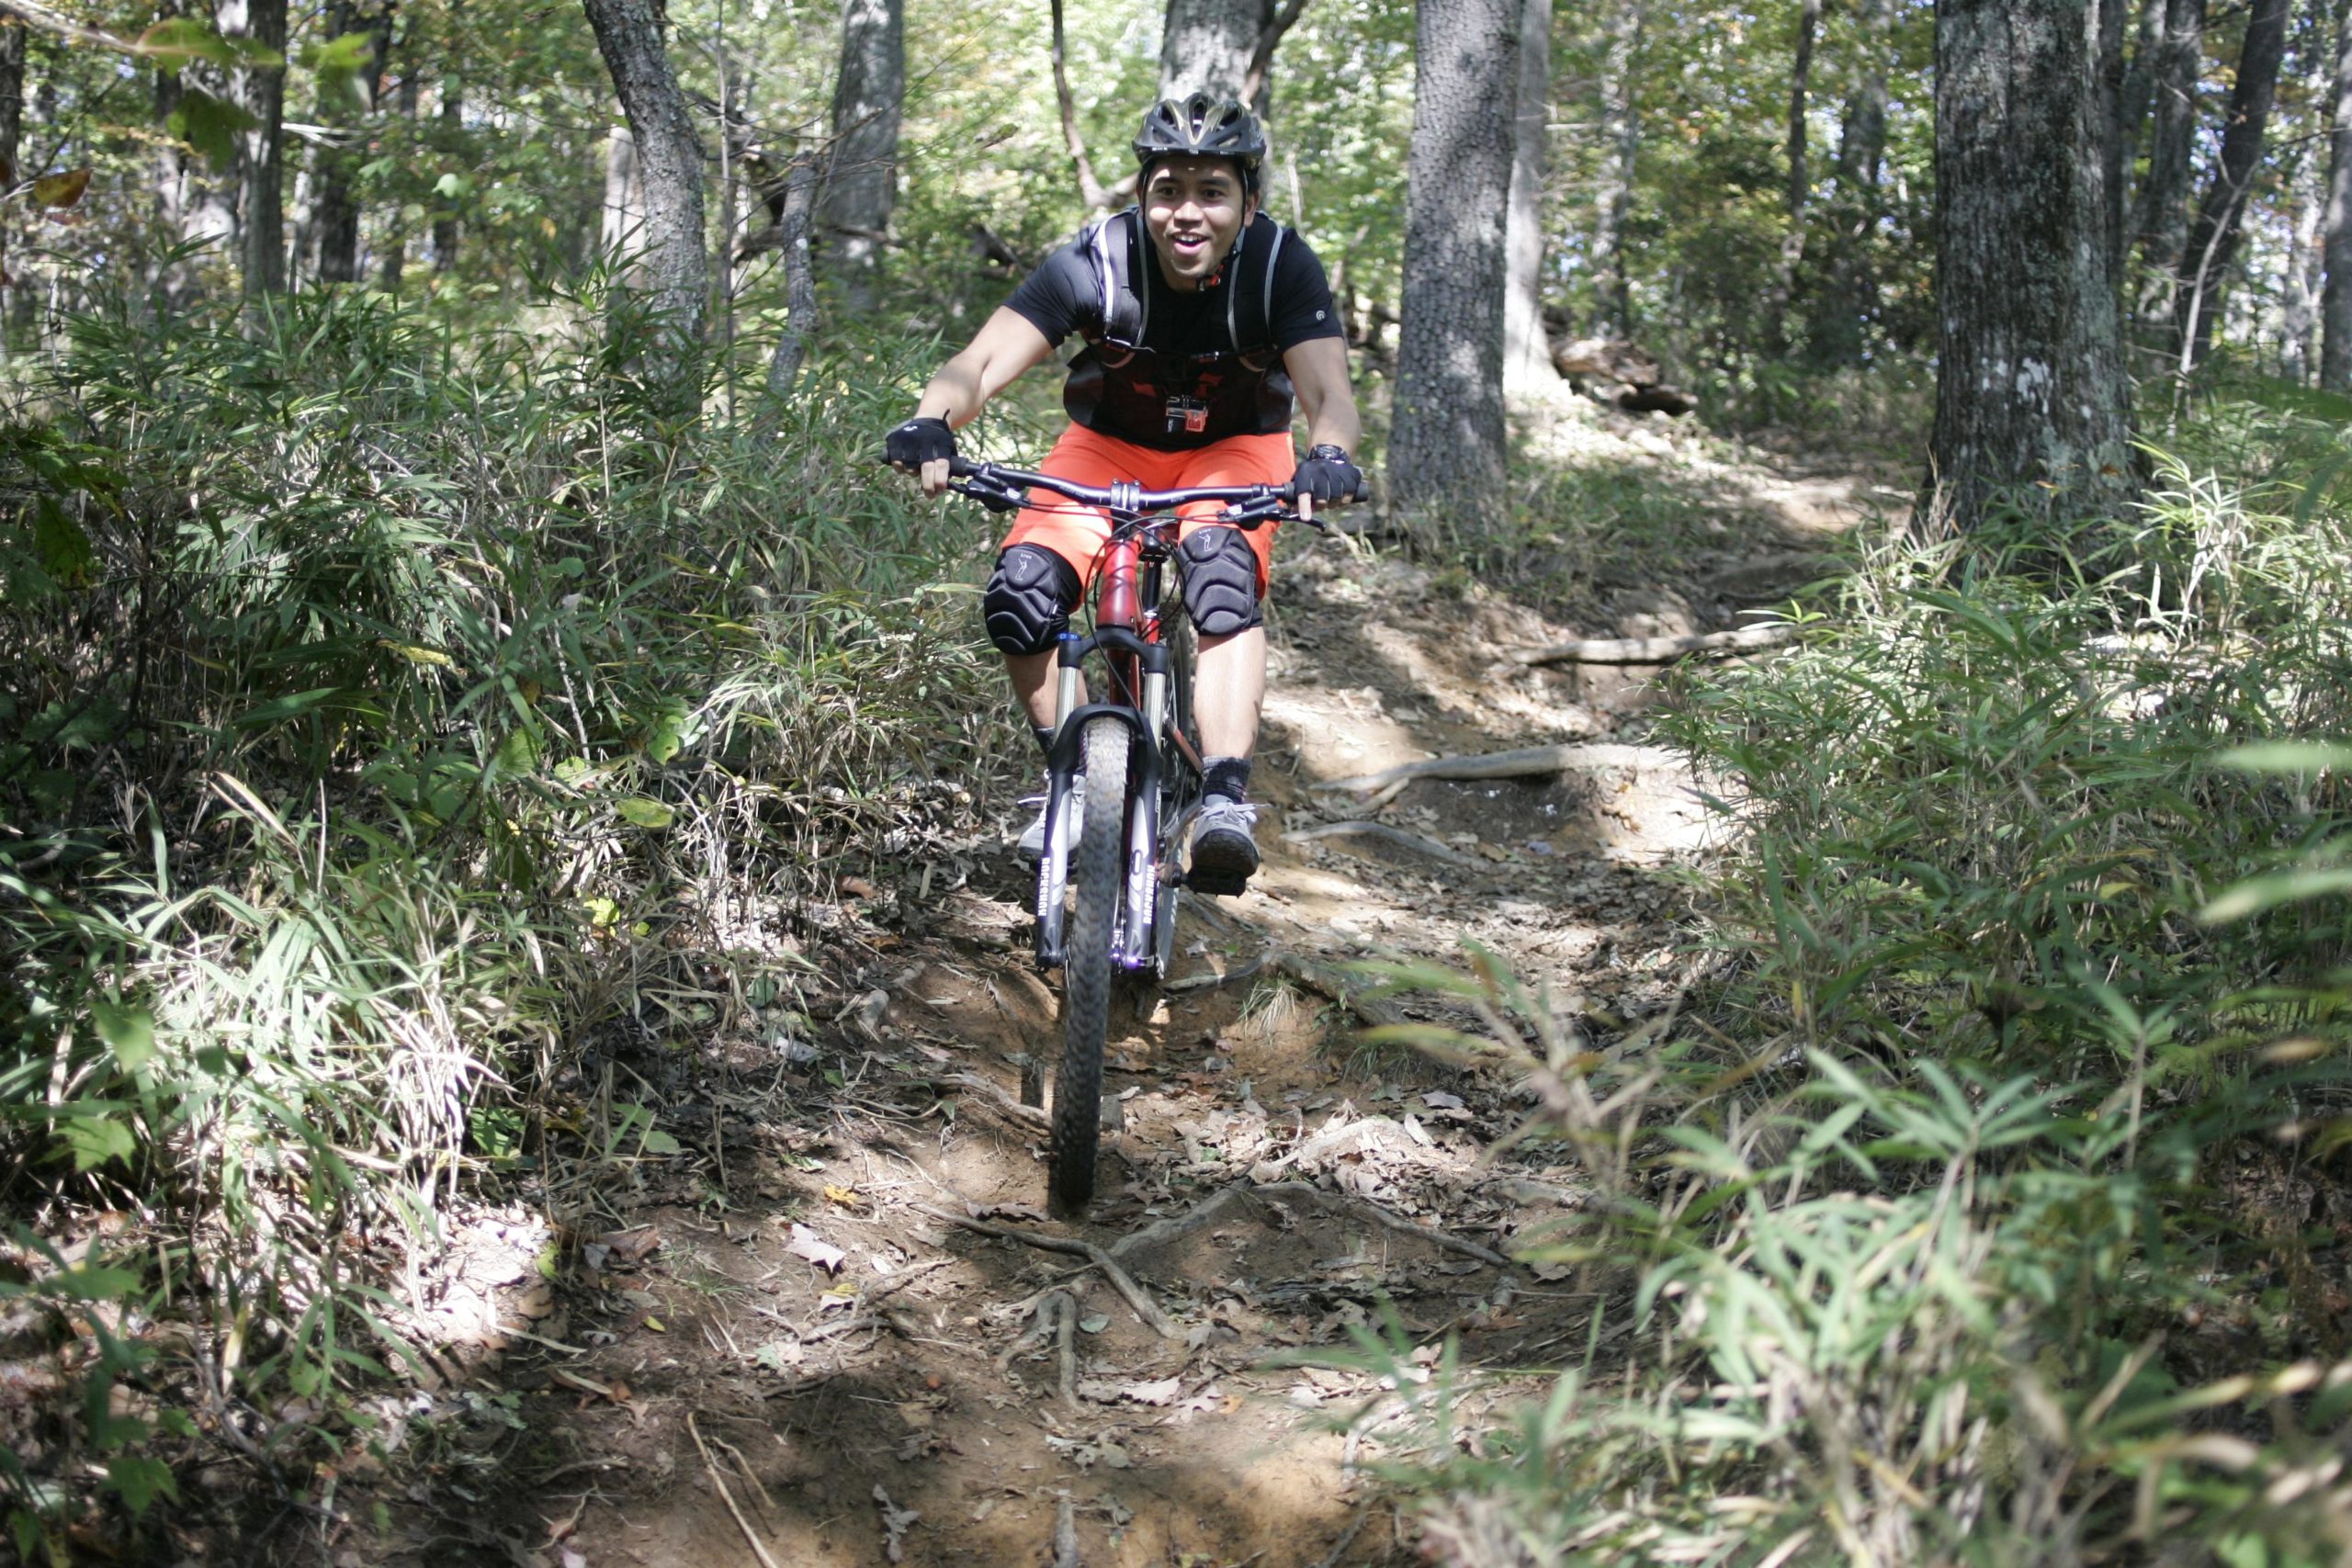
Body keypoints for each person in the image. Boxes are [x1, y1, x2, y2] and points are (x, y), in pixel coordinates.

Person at [886, 93, 1364, 893]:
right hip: (1106, 448)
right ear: (1142, 196)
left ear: (1247, 206)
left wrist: (1330, 455)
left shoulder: (1280, 263)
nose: (1187, 212)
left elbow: (1330, 396)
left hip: (1233, 452)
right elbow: (978, 364)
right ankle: (1072, 780)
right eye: (1168, 189)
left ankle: (1222, 800)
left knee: (1220, 577)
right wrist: (930, 419)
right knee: (1022, 594)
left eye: (1212, 191)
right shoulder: (1095, 261)